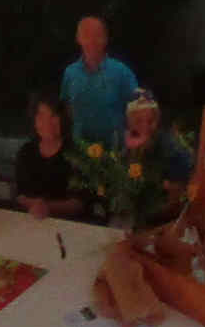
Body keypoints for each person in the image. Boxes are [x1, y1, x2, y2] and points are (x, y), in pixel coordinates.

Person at [59, 14, 144, 155]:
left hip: (115, 154)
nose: (92, 40)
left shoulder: (122, 72)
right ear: (78, 38)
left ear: (106, 38)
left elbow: (138, 111)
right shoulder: (70, 73)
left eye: (97, 35)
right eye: (86, 34)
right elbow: (68, 108)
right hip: (80, 152)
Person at [117, 93, 196, 221]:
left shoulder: (172, 152)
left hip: (161, 220)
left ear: (157, 120)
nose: (145, 126)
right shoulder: (126, 145)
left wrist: (142, 217)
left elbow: (175, 204)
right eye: (138, 121)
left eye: (150, 121)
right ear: (128, 122)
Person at [11, 92, 82, 217]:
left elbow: (78, 203)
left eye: (53, 116)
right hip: (30, 220)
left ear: (64, 120)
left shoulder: (76, 155)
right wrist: (35, 205)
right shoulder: (26, 151)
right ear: (34, 121)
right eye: (41, 116)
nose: (47, 122)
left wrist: (47, 207)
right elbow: (20, 195)